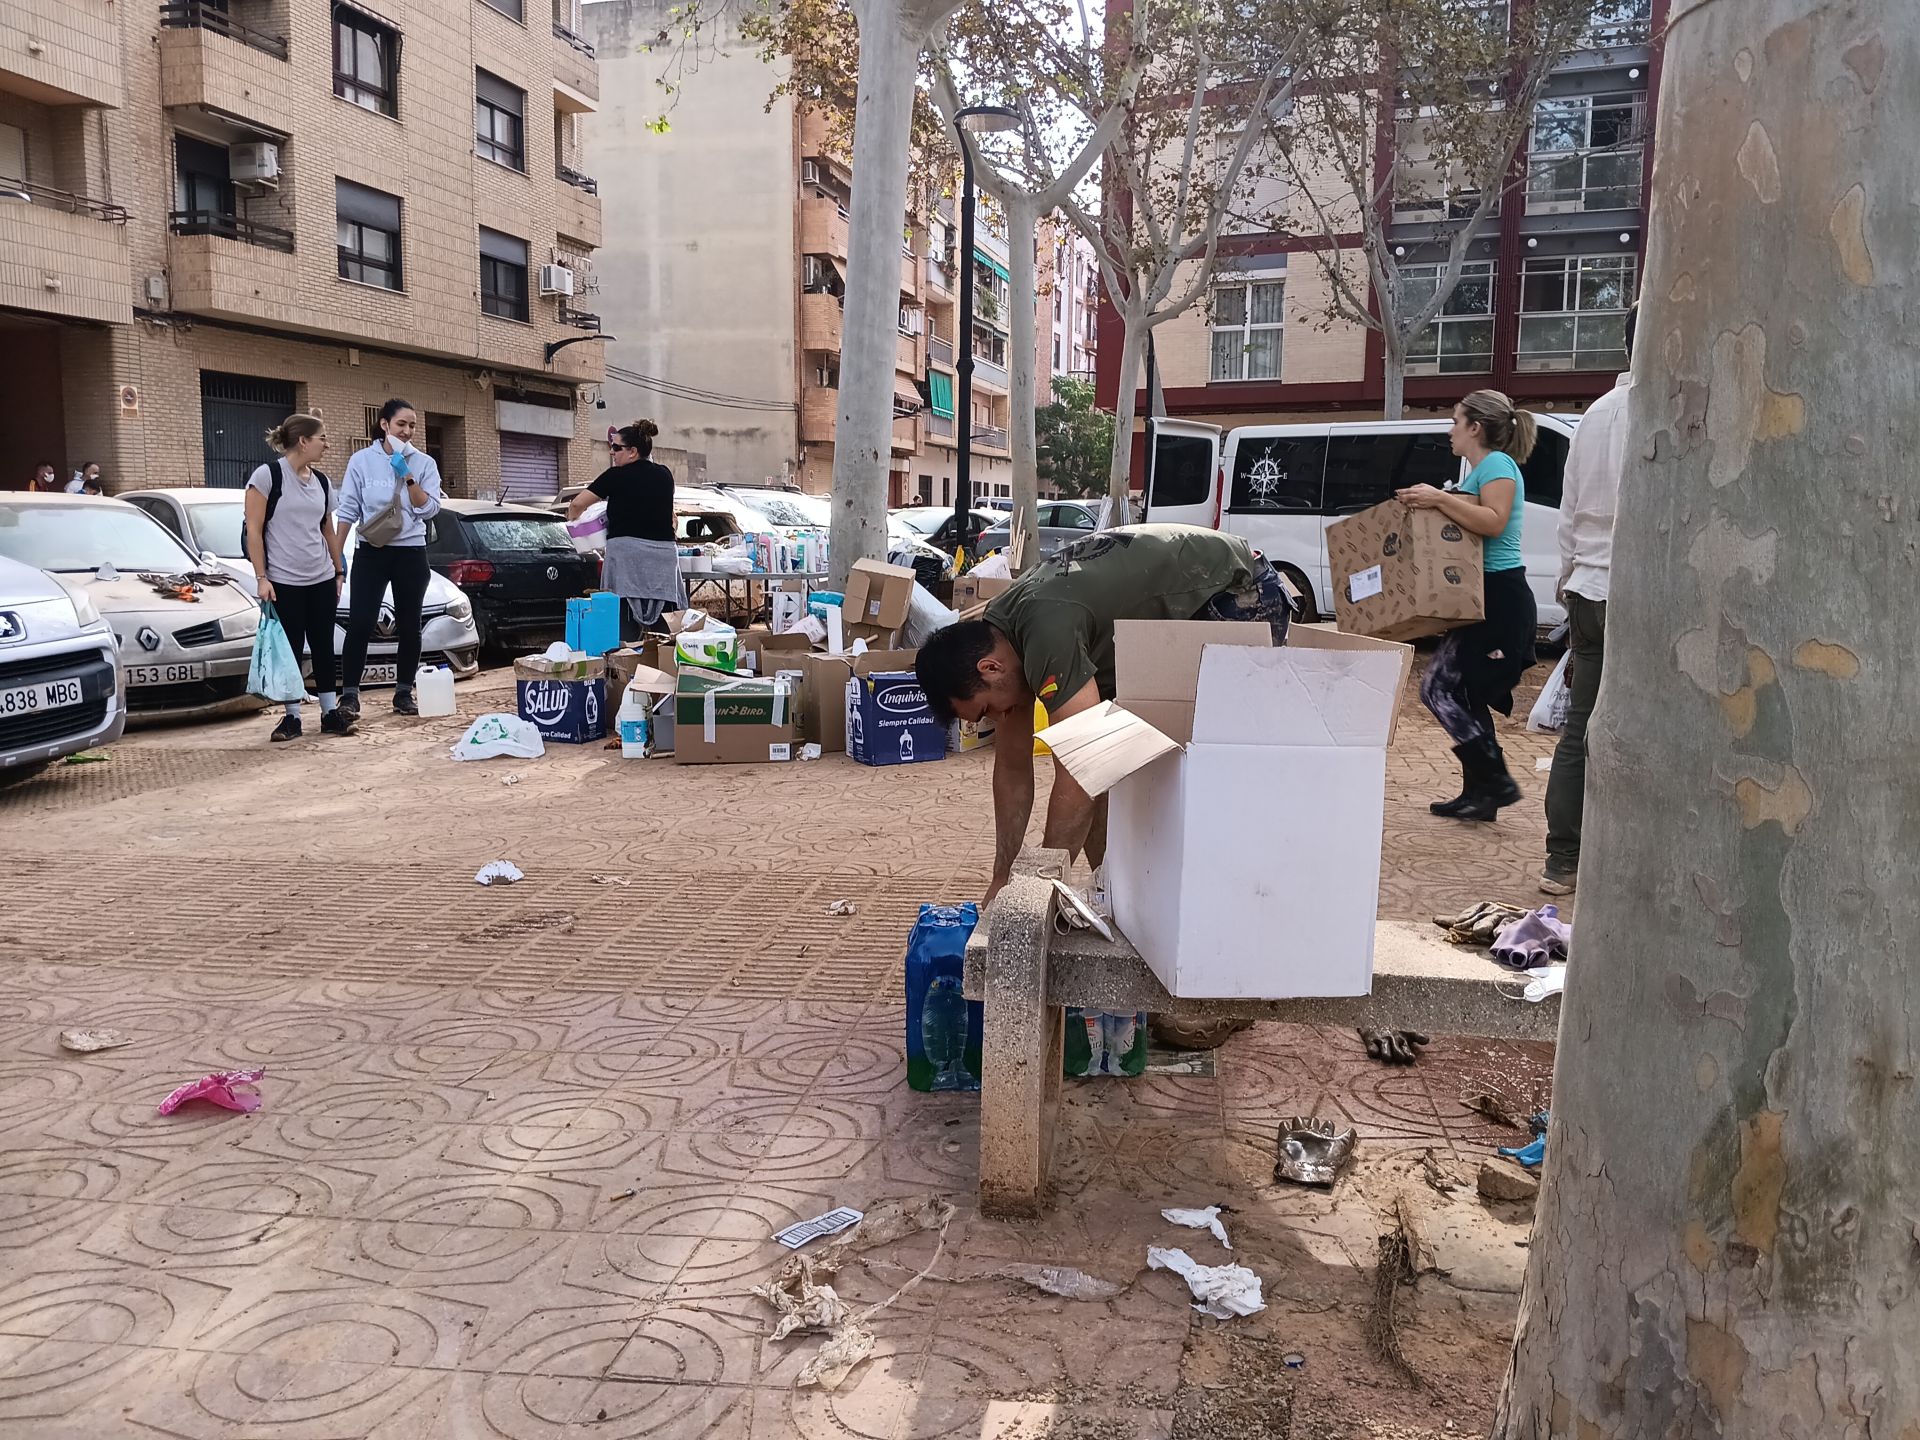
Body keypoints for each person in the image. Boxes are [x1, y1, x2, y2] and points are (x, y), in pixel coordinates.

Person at [1397, 389, 1539, 822]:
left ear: (1475, 427)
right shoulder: (1479, 470)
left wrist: (1440, 499)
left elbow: (1494, 522)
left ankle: (1494, 782)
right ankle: (1481, 794)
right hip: (1482, 595)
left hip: (1500, 596)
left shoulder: (1496, 463)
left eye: (1455, 421)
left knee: (1438, 688)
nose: (1450, 430)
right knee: (1465, 693)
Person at [1542, 306, 1635, 895]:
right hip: (1632, 591)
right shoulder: (1665, 411)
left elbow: (1570, 514)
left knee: (1580, 728)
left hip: (1584, 589)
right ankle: (1624, 858)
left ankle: (1561, 859)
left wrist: (1570, 576)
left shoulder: (1598, 413)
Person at [244, 414, 354, 743]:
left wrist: (338, 570)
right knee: (290, 649)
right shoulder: (267, 477)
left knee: (323, 645)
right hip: (284, 580)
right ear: (303, 441)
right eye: (322, 437)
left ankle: (329, 713)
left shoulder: (320, 481)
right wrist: (261, 577)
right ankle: (291, 718)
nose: (327, 443)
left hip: (320, 576)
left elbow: (327, 528)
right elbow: (255, 530)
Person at [337, 397, 443, 718]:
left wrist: (408, 475)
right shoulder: (361, 461)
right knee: (361, 622)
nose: (408, 430)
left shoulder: (424, 463)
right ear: (384, 424)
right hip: (371, 551)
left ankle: (403, 693)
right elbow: (348, 509)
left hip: (410, 552)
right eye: (401, 424)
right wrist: (336, 555)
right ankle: (350, 696)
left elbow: (429, 509)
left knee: (410, 626)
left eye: (412, 425)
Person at [568, 419, 682, 636]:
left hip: (626, 558)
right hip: (663, 558)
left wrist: (576, 528)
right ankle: (666, 663)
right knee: (665, 623)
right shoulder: (665, 474)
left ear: (632, 452)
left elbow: (577, 504)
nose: (612, 452)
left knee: (623, 619)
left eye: (616, 447)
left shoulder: (615, 476)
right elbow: (672, 519)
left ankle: (626, 663)